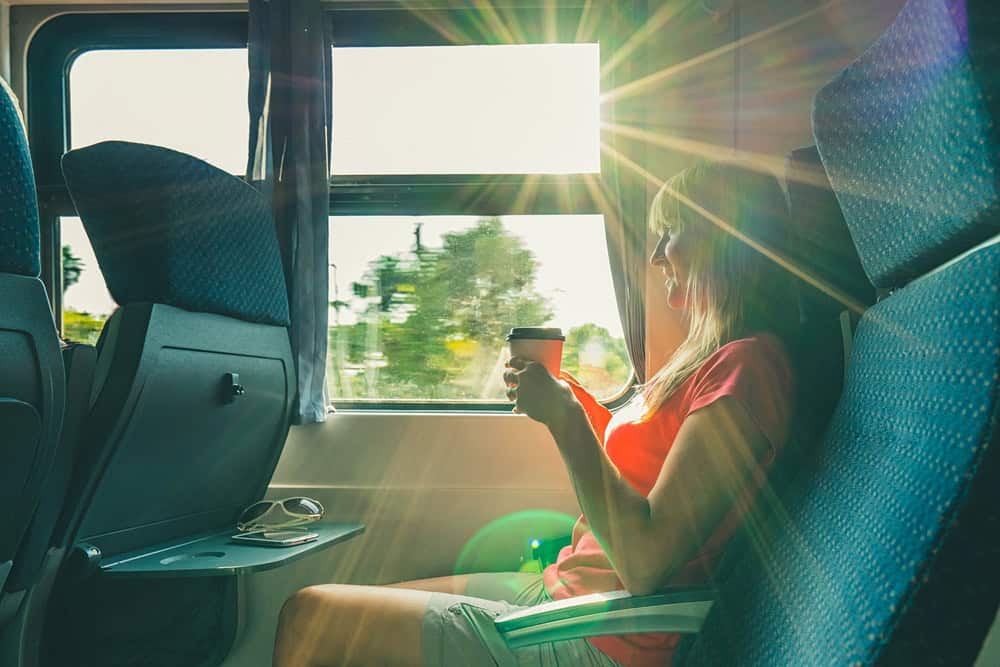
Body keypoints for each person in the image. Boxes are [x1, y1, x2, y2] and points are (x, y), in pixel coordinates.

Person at [272, 161, 799, 667]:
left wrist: (566, 418)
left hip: (608, 635)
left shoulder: (746, 367)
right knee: (369, 608)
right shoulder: (709, 359)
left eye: (673, 231)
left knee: (308, 617)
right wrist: (560, 394)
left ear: (723, 238)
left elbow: (646, 562)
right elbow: (648, 463)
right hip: (571, 591)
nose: (658, 255)